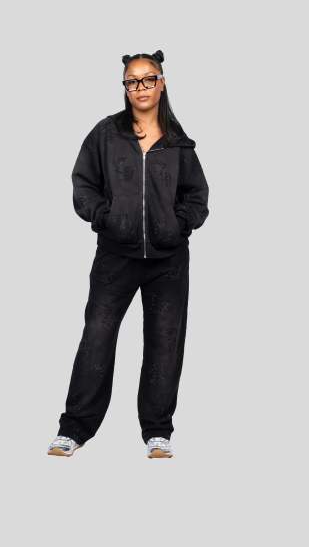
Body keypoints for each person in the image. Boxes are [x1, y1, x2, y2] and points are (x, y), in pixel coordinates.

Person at [47, 49, 209, 459]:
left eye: (148, 78)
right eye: (132, 80)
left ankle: (157, 431)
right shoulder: (106, 134)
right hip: (115, 255)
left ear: (161, 83)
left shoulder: (178, 141)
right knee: (97, 336)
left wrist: (179, 224)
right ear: (125, 87)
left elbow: (197, 195)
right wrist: (105, 217)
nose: (141, 87)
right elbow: (83, 183)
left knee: (165, 342)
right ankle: (74, 428)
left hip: (169, 260)